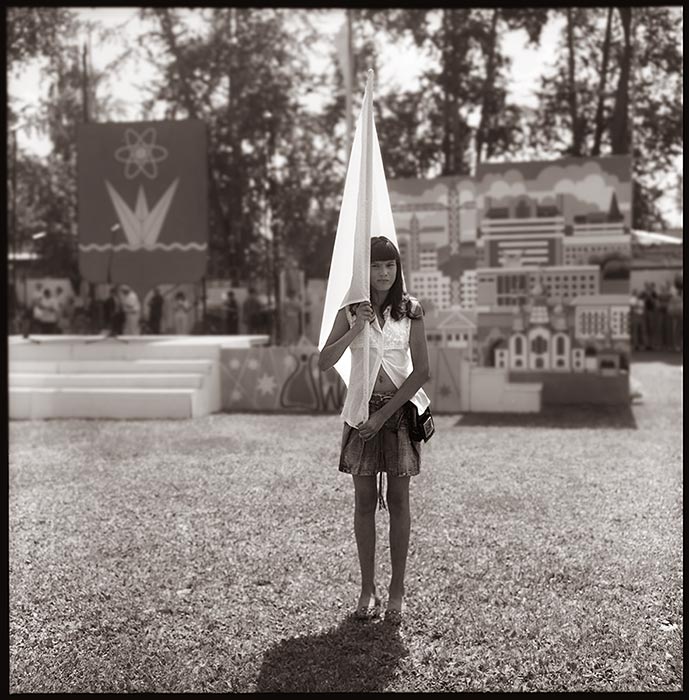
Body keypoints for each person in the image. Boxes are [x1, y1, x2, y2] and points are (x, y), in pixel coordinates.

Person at [318, 236, 431, 625]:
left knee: (399, 502)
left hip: (397, 415)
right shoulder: (351, 311)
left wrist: (382, 418)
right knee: (364, 503)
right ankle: (368, 588)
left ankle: (397, 589)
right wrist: (356, 328)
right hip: (358, 414)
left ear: (398, 269)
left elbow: (422, 371)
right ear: (365, 270)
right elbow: (323, 361)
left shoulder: (410, 309)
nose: (384, 273)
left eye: (390, 266)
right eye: (376, 266)